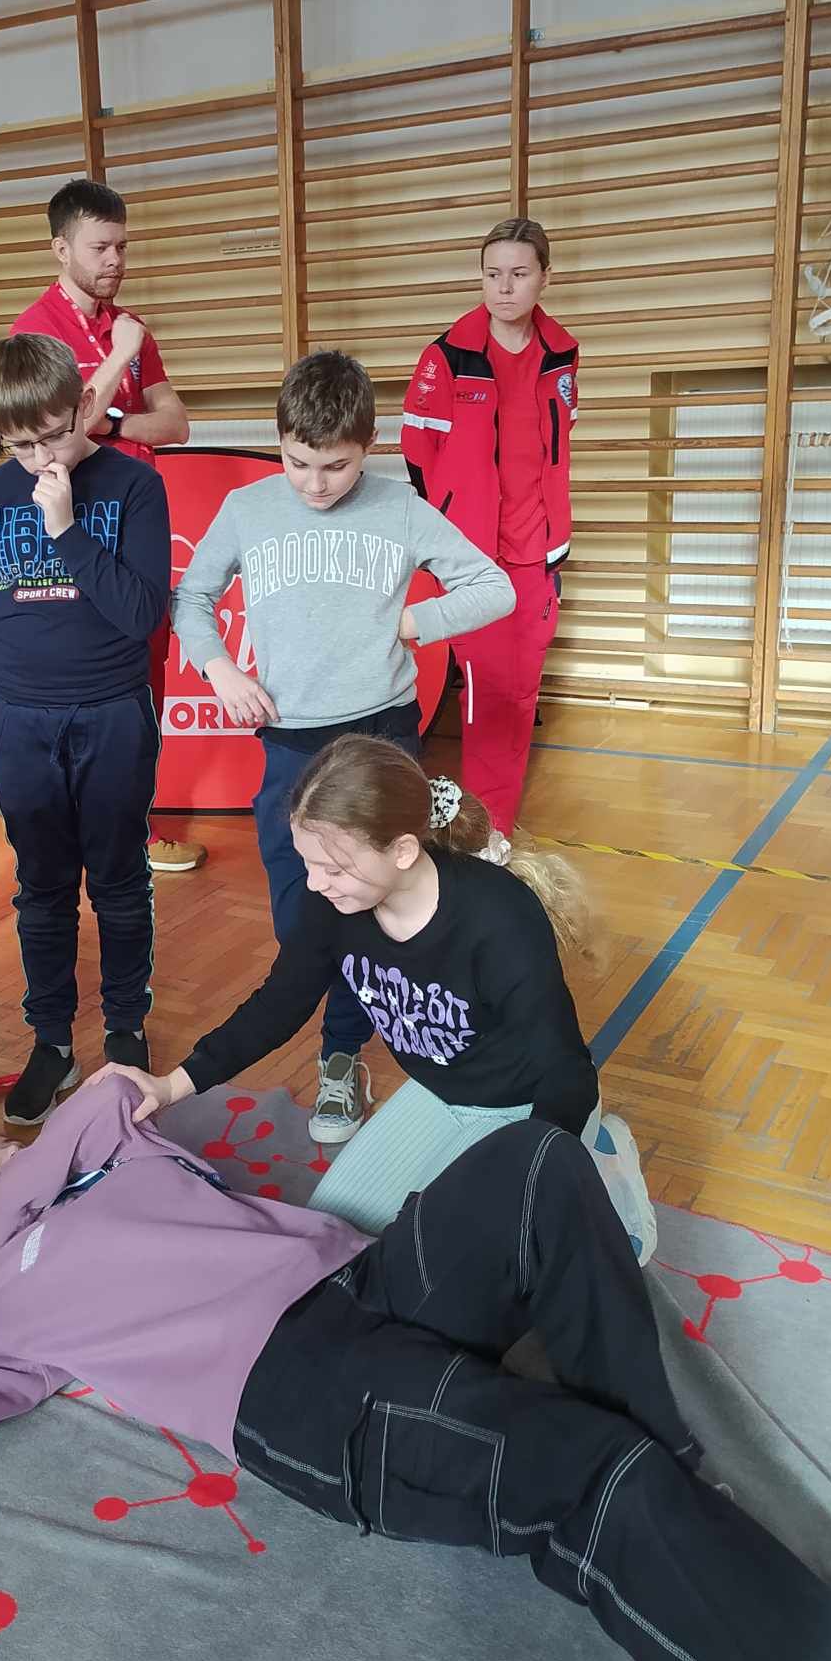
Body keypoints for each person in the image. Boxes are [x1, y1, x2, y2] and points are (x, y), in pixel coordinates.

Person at [0, 1075, 831, 1661]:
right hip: (302, 1390)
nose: (10, 1161)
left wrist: (14, 1180)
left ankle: (682, 1475)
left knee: (535, 1165)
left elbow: (108, 1092)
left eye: (9, 1149)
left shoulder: (99, 1155)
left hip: (362, 1276)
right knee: (592, 1474)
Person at [92, 733, 655, 1250]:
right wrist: (170, 1085)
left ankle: (603, 1173)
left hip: (525, 1106)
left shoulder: (499, 917)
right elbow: (279, 1004)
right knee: (333, 1238)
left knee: (466, 1262)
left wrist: (533, 1169)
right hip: (438, 1092)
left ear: (403, 851)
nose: (315, 883)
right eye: (308, 863)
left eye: (334, 869)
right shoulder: (333, 902)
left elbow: (565, 1070)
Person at [171, 351, 515, 1146]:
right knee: (302, 912)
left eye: (336, 466)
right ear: (280, 441)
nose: (317, 484)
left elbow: (494, 586)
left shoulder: (400, 507)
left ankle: (340, 1054)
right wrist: (219, 667)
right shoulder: (250, 507)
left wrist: (416, 623)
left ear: (369, 447)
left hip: (381, 737)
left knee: (370, 904)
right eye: (299, 463)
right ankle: (322, 1023)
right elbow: (192, 595)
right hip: (291, 746)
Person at [0, 335, 170, 1128]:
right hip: (19, 722)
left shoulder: (134, 485)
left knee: (119, 882)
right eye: (22, 445)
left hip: (112, 713)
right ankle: (51, 1041)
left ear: (82, 407)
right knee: (41, 891)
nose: (42, 457)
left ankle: (125, 1031)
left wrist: (68, 528)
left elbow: (142, 614)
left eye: (54, 434)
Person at [12, 178, 204, 877]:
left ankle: (136, 834)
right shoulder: (35, 331)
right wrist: (120, 358)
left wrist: (115, 420)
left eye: (122, 245)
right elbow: (61, 431)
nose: (116, 260)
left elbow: (175, 424)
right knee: (84, 680)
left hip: (136, 517)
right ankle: (76, 833)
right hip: (71, 523)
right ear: (61, 249)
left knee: (142, 681)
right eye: (101, 247)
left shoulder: (129, 324)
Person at [401, 217, 579, 835]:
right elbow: (418, 452)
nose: (504, 287)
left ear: (544, 278)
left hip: (537, 553)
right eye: (492, 274)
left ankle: (495, 827)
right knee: (483, 690)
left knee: (519, 692)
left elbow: (557, 447)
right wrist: (450, 530)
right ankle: (479, 828)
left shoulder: (562, 354)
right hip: (472, 557)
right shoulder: (447, 356)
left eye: (519, 274)